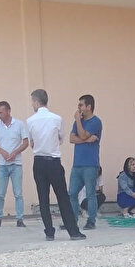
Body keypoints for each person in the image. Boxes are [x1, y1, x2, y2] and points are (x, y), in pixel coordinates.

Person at [26, 89, 86, 241]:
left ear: (36, 102)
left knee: (43, 199)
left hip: (39, 161)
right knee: (63, 197)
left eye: (32, 102)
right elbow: (60, 138)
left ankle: (49, 232)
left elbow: (32, 142)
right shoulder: (57, 119)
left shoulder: (30, 121)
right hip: (54, 161)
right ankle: (73, 232)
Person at [0, 101, 29, 228]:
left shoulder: (19, 124)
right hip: (2, 164)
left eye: (1, 112)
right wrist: (2, 152)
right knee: (0, 193)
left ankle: (20, 219)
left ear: (8, 111)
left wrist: (15, 152)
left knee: (18, 193)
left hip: (16, 164)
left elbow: (25, 142)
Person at [68, 95, 103, 230]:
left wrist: (78, 120)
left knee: (90, 194)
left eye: (81, 105)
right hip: (77, 164)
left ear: (89, 107)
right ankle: (72, 220)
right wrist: (87, 140)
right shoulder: (78, 122)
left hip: (90, 164)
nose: (79, 108)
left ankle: (91, 221)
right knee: (72, 193)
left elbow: (81, 135)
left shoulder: (96, 122)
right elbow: (71, 139)